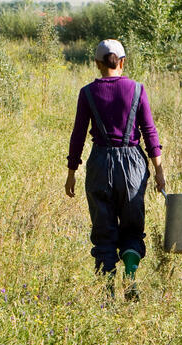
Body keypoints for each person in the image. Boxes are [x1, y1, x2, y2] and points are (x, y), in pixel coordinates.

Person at [66, 39, 166, 290]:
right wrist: (159, 171)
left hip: (100, 164)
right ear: (122, 62)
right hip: (133, 165)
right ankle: (130, 273)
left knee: (104, 230)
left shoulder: (87, 93)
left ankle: (107, 292)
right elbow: (150, 132)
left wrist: (71, 172)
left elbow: (78, 135)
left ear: (97, 64)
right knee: (132, 227)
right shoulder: (137, 89)